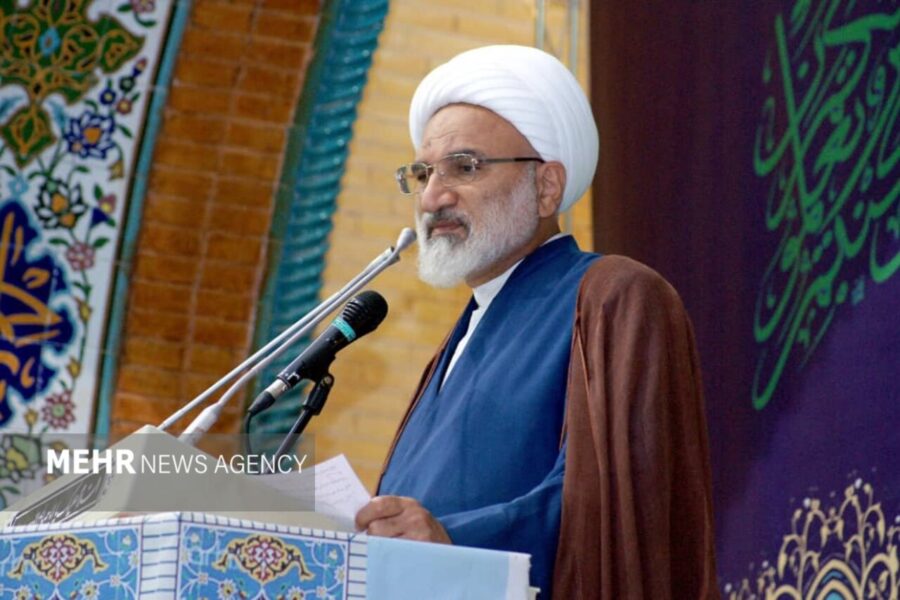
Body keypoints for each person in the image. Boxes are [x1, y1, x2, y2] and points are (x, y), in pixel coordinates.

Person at [355, 45, 719, 599]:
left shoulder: (612, 297)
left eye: (465, 167)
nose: (432, 196)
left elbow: (616, 505)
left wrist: (453, 541)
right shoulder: (454, 344)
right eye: (424, 172)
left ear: (546, 186)